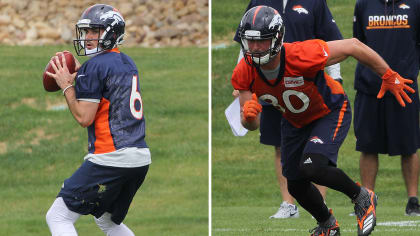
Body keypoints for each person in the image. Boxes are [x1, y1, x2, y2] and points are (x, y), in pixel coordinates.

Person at [232, 5, 414, 236]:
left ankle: (362, 197)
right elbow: (252, 123)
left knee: (313, 166)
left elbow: (353, 45)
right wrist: (248, 117)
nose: (255, 47)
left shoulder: (301, 54)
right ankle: (327, 224)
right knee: (295, 184)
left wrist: (387, 74)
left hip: (329, 110)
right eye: (251, 41)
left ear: (277, 37)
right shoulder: (243, 71)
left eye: (262, 41)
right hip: (294, 120)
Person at [45, 4, 151, 236]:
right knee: (108, 221)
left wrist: (67, 87)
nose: (88, 37)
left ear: (112, 33)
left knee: (58, 216)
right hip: (140, 159)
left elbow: (84, 117)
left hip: (111, 157)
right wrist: (81, 77)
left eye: (95, 31)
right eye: (86, 32)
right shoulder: (127, 62)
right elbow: (105, 83)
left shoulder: (93, 67)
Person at [232, 0, 344, 219]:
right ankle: (288, 203)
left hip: (306, 81)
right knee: (280, 146)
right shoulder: (258, 2)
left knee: (318, 150)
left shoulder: (314, 2)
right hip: (267, 83)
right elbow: (245, 42)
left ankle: (318, 204)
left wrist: (335, 75)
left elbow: (330, 40)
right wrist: (242, 83)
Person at [353, 0, 420, 216]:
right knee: (368, 145)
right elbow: (358, 42)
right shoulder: (364, 4)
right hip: (369, 86)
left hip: (404, 87)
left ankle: (413, 200)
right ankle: (367, 199)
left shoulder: (415, 4)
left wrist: (409, 69)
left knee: (409, 146)